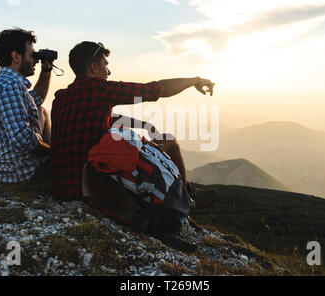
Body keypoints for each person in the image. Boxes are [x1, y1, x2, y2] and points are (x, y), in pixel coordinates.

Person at [51, 41, 219, 207]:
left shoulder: (61, 98)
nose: (108, 71)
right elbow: (157, 89)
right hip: (96, 189)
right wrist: (194, 81)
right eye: (105, 64)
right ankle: (188, 196)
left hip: (65, 188)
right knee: (169, 141)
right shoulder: (100, 89)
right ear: (94, 68)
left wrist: (143, 124)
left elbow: (93, 116)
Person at [0, 28, 52, 183]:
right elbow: (22, 138)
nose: (35, 60)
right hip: (17, 172)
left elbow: (37, 98)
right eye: (32, 55)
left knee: (41, 110)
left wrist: (46, 69)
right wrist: (53, 153)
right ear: (15, 57)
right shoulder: (11, 86)